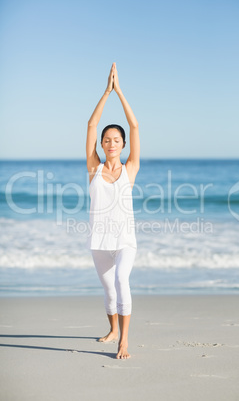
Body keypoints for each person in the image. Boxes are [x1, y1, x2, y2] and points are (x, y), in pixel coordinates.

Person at [86, 63, 140, 359]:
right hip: (99, 241)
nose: (110, 143)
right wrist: (105, 91)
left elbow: (134, 126)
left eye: (115, 140)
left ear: (122, 145)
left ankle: (124, 341)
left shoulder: (130, 169)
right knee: (109, 292)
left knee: (122, 282)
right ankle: (113, 329)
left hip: (125, 240)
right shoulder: (93, 168)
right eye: (106, 140)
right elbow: (91, 126)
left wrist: (119, 91)